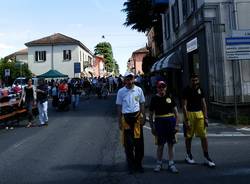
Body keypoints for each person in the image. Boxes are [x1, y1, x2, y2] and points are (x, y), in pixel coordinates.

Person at [182, 73, 215, 167]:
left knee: (204, 136)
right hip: (190, 113)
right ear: (190, 81)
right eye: (193, 80)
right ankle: (188, 155)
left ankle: (206, 157)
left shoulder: (200, 89)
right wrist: (186, 119)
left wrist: (206, 117)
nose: (195, 82)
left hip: (200, 114)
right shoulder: (186, 90)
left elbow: (204, 104)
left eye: (196, 80)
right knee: (189, 136)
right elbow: (184, 106)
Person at [116, 71, 146, 174]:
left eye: (131, 79)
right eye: (127, 79)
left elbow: (142, 103)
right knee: (128, 145)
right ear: (125, 80)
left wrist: (143, 115)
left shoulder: (139, 90)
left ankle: (138, 164)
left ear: (134, 79)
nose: (129, 81)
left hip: (137, 119)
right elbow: (119, 106)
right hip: (126, 120)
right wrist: (119, 120)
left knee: (139, 144)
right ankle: (131, 165)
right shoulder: (121, 92)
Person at [149, 81, 179, 173]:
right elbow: (150, 115)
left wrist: (177, 125)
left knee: (171, 144)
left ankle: (171, 163)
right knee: (160, 144)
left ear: (166, 87)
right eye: (159, 87)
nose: (161, 88)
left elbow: (176, 113)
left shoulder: (170, 97)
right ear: (157, 88)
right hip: (159, 122)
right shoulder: (154, 99)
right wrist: (152, 127)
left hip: (170, 122)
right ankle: (159, 163)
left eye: (163, 87)